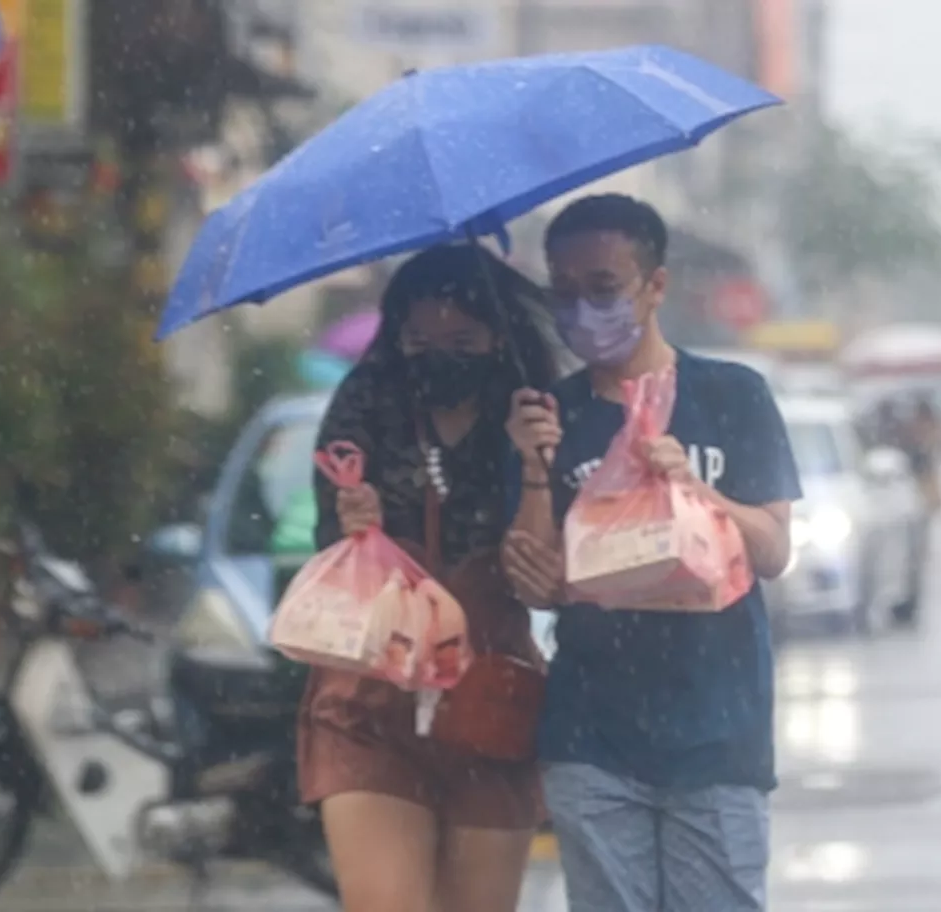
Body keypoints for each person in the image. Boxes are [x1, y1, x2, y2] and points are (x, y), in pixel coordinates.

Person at [500, 194, 801, 912]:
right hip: (592, 736)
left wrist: (694, 492)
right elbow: (540, 584)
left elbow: (772, 551)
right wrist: (535, 466)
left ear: (655, 286)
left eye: (604, 289)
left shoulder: (733, 396)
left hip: (718, 730)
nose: (583, 311)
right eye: (564, 293)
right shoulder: (548, 415)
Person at [298, 244, 558, 912]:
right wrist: (357, 524)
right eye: (420, 339)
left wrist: (534, 466)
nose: (439, 353)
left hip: (489, 700)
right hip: (372, 696)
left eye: (461, 339)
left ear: (499, 337)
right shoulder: (366, 402)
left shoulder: (533, 411)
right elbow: (329, 546)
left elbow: (539, 575)